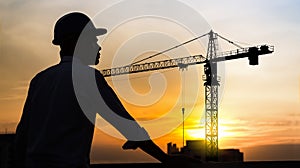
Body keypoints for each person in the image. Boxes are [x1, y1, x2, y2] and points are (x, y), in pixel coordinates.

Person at [14, 12, 200, 168]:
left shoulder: (39, 80)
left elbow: (22, 136)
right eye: (92, 40)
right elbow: (125, 124)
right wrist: (165, 159)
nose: (98, 46)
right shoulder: (88, 78)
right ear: (76, 41)